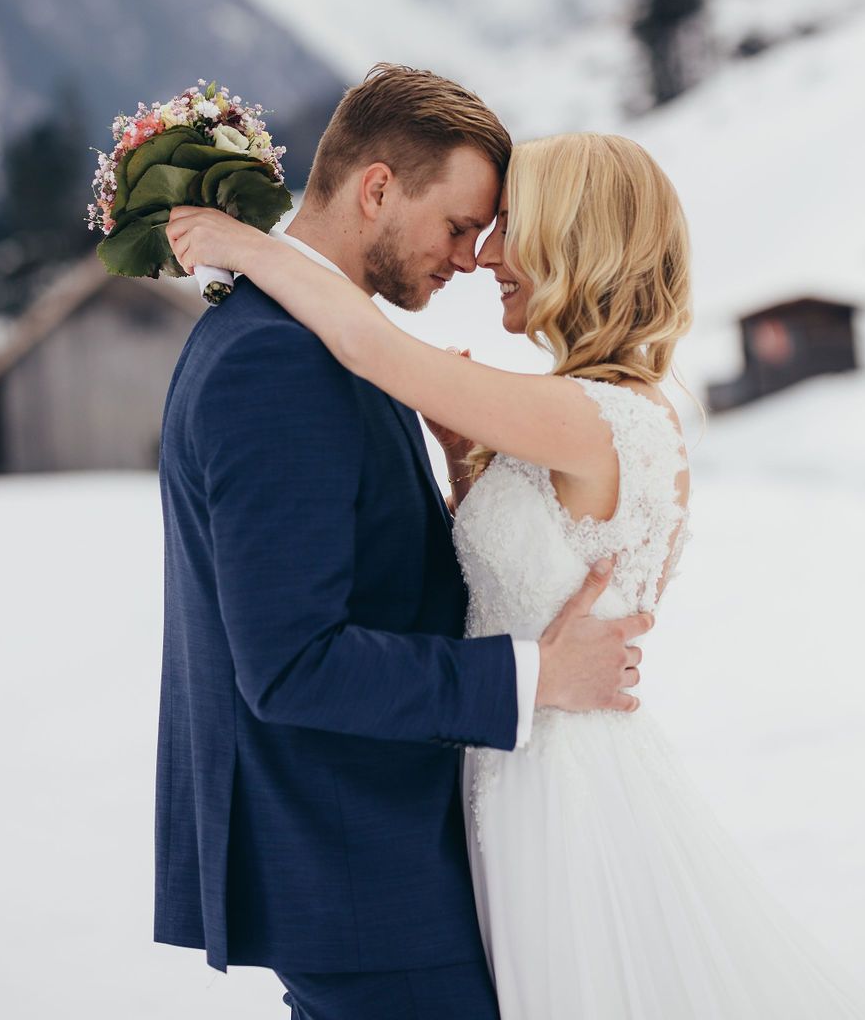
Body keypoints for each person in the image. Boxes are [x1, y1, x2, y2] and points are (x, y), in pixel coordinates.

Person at [169, 128, 865, 1020]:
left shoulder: (588, 417)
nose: (486, 257)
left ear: (575, 240)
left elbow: (368, 345)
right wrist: (472, 470)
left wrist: (244, 243)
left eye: (510, 225)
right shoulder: (585, 414)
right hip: (504, 780)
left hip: (555, 792)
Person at [154, 66, 652, 1020]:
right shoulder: (276, 359)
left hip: (389, 861)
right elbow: (293, 663)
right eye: (461, 226)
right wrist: (534, 676)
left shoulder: (313, 339)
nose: (472, 258)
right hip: (361, 873)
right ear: (378, 188)